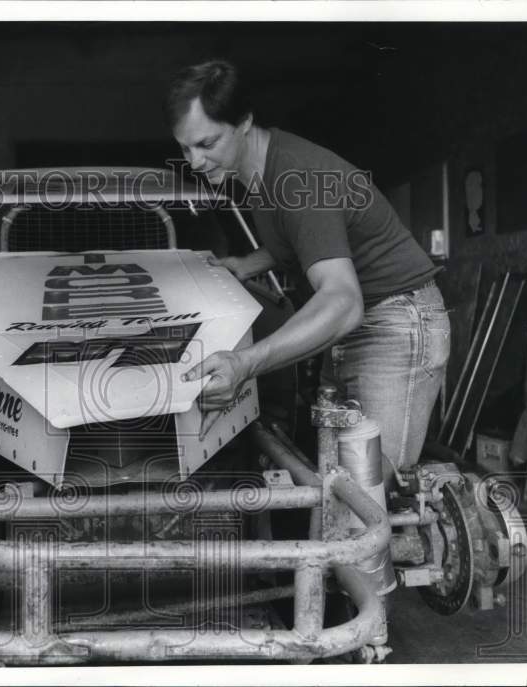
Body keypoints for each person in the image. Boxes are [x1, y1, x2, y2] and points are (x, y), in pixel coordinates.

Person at [167, 60, 450, 479]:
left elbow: (343, 301)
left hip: (394, 322)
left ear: (244, 121)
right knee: (337, 482)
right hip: (358, 323)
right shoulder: (257, 171)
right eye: (185, 148)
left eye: (207, 144)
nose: (195, 161)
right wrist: (249, 264)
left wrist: (244, 363)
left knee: (366, 490)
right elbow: (300, 239)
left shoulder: (296, 176)